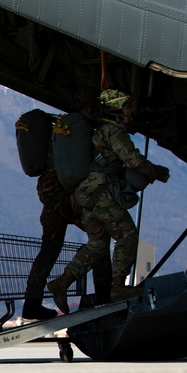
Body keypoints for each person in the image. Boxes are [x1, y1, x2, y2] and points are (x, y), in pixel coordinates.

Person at [48, 89, 170, 313]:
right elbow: (132, 160)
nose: (129, 112)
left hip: (88, 195)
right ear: (117, 108)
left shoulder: (96, 132)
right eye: (126, 107)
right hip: (101, 192)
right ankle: (118, 287)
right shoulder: (112, 131)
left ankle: (62, 283)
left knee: (97, 243)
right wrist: (156, 172)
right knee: (127, 235)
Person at [22, 88, 112, 320]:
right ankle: (104, 296)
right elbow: (73, 169)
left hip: (49, 196)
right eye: (91, 107)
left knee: (49, 250)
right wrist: (72, 191)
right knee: (99, 239)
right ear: (85, 108)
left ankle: (31, 304)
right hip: (65, 194)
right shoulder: (78, 129)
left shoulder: (60, 129)